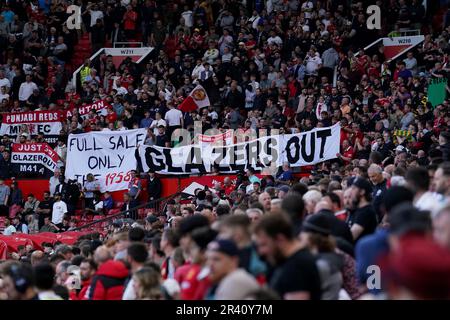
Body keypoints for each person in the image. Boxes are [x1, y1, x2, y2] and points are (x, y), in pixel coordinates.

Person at [253, 213, 322, 300]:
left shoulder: (296, 267)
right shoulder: (291, 261)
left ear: (280, 239)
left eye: (264, 244)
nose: (260, 251)